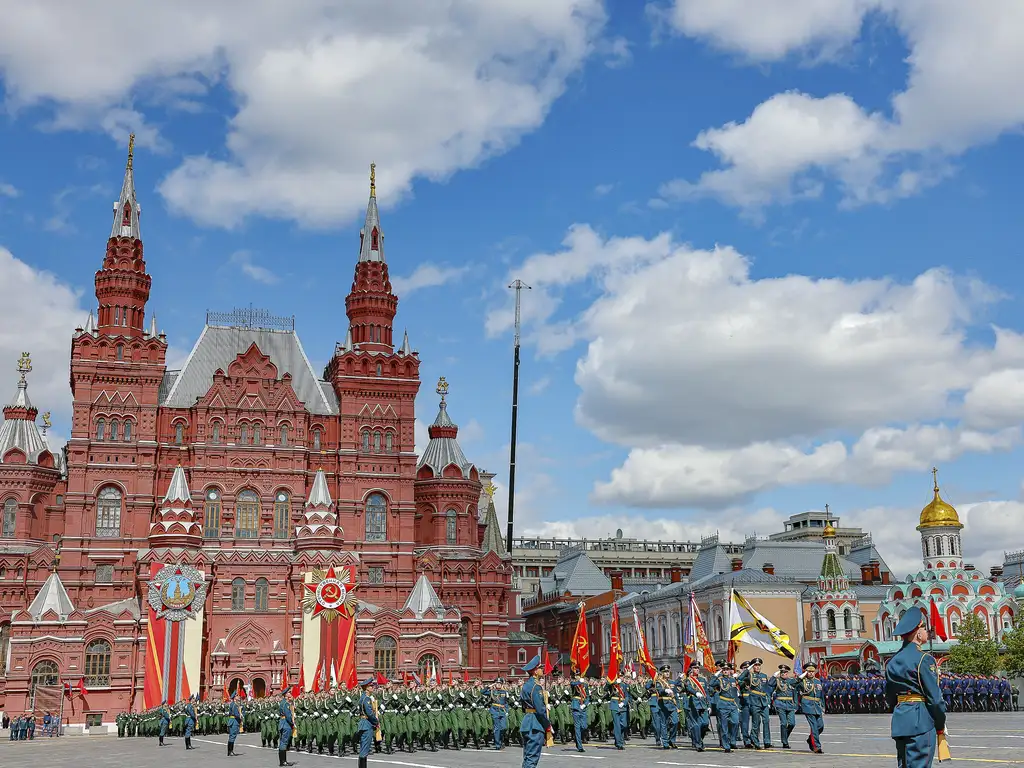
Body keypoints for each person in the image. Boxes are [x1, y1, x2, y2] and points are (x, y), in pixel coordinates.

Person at [885, 606, 946, 768]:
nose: (926, 632)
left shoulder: (892, 661)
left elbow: (890, 696)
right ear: (918, 634)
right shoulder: (924, 659)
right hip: (921, 722)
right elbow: (935, 699)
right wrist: (940, 723)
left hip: (900, 721)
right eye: (924, 628)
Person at [519, 656, 550, 768]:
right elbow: (540, 710)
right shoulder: (536, 687)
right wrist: (547, 725)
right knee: (532, 758)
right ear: (535, 671)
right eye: (540, 668)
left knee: (527, 757)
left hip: (527, 721)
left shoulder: (526, 686)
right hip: (535, 724)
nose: (542, 670)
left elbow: (523, 705)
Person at [797, 662, 824, 753]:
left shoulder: (817, 681)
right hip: (807, 705)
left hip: (817, 706)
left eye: (812, 671)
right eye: (809, 671)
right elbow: (793, 684)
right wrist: (800, 677)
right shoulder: (802, 681)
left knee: (821, 726)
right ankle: (817, 746)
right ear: (806, 672)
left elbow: (821, 694)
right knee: (814, 727)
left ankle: (810, 739)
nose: (811, 673)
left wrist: (823, 706)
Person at [770, 665, 798, 749]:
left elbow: (795, 693)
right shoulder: (777, 680)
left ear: (787, 673)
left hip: (790, 704)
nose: (783, 674)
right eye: (781, 672)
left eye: (785, 672)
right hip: (780, 704)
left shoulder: (791, 681)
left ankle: (785, 737)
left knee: (792, 723)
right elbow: (770, 684)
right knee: (784, 723)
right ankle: (785, 742)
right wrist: (774, 676)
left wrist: (796, 705)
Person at [357, 678, 379, 768]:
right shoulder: (366, 699)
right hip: (367, 724)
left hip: (363, 724)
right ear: (366, 688)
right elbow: (369, 713)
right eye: (371, 686)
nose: (373, 687)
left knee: (363, 748)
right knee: (365, 749)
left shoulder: (363, 697)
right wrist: (376, 721)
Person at [606, 677, 627, 750]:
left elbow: (627, 696)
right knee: (617, 725)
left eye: (621, 676)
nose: (620, 677)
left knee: (624, 725)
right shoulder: (612, 685)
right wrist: (613, 681)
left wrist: (624, 703)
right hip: (614, 705)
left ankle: (617, 737)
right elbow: (606, 686)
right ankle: (619, 743)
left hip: (622, 706)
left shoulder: (623, 685)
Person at [279, 689, 296, 767]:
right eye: (289, 692)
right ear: (285, 695)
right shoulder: (286, 703)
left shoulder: (283, 702)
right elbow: (288, 716)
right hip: (286, 724)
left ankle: (283, 761)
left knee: (283, 742)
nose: (290, 694)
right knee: (284, 742)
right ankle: (283, 762)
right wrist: (292, 724)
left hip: (282, 723)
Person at [570, 679, 588, 752]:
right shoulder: (575, 685)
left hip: (583, 707)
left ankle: (577, 737)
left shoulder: (585, 685)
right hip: (576, 707)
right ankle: (579, 746)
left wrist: (585, 704)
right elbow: (572, 683)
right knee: (577, 727)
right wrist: (579, 682)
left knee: (584, 726)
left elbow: (588, 697)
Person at [227, 691, 243, 756]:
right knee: (232, 736)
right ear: (234, 697)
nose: (238, 697)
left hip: (234, 721)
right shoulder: (234, 704)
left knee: (232, 736)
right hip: (234, 721)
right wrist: (240, 716)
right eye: (237, 696)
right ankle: (230, 751)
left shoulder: (235, 704)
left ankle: (230, 751)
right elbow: (236, 713)